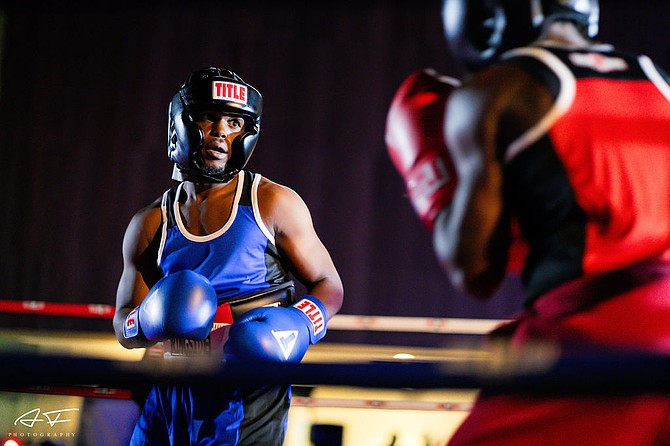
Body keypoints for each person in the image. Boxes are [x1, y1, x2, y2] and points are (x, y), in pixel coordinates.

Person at [386, 1, 670, 444]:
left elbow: (475, 271)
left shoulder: (498, 89)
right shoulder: (660, 80)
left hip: (596, 332)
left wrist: (431, 175)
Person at [113, 67, 344, 445]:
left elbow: (329, 284)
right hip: (174, 384)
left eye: (235, 122)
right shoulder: (150, 223)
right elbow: (124, 323)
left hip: (248, 385)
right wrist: (151, 319)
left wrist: (297, 327)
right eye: (208, 117)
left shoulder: (272, 202)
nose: (221, 131)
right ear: (180, 125)